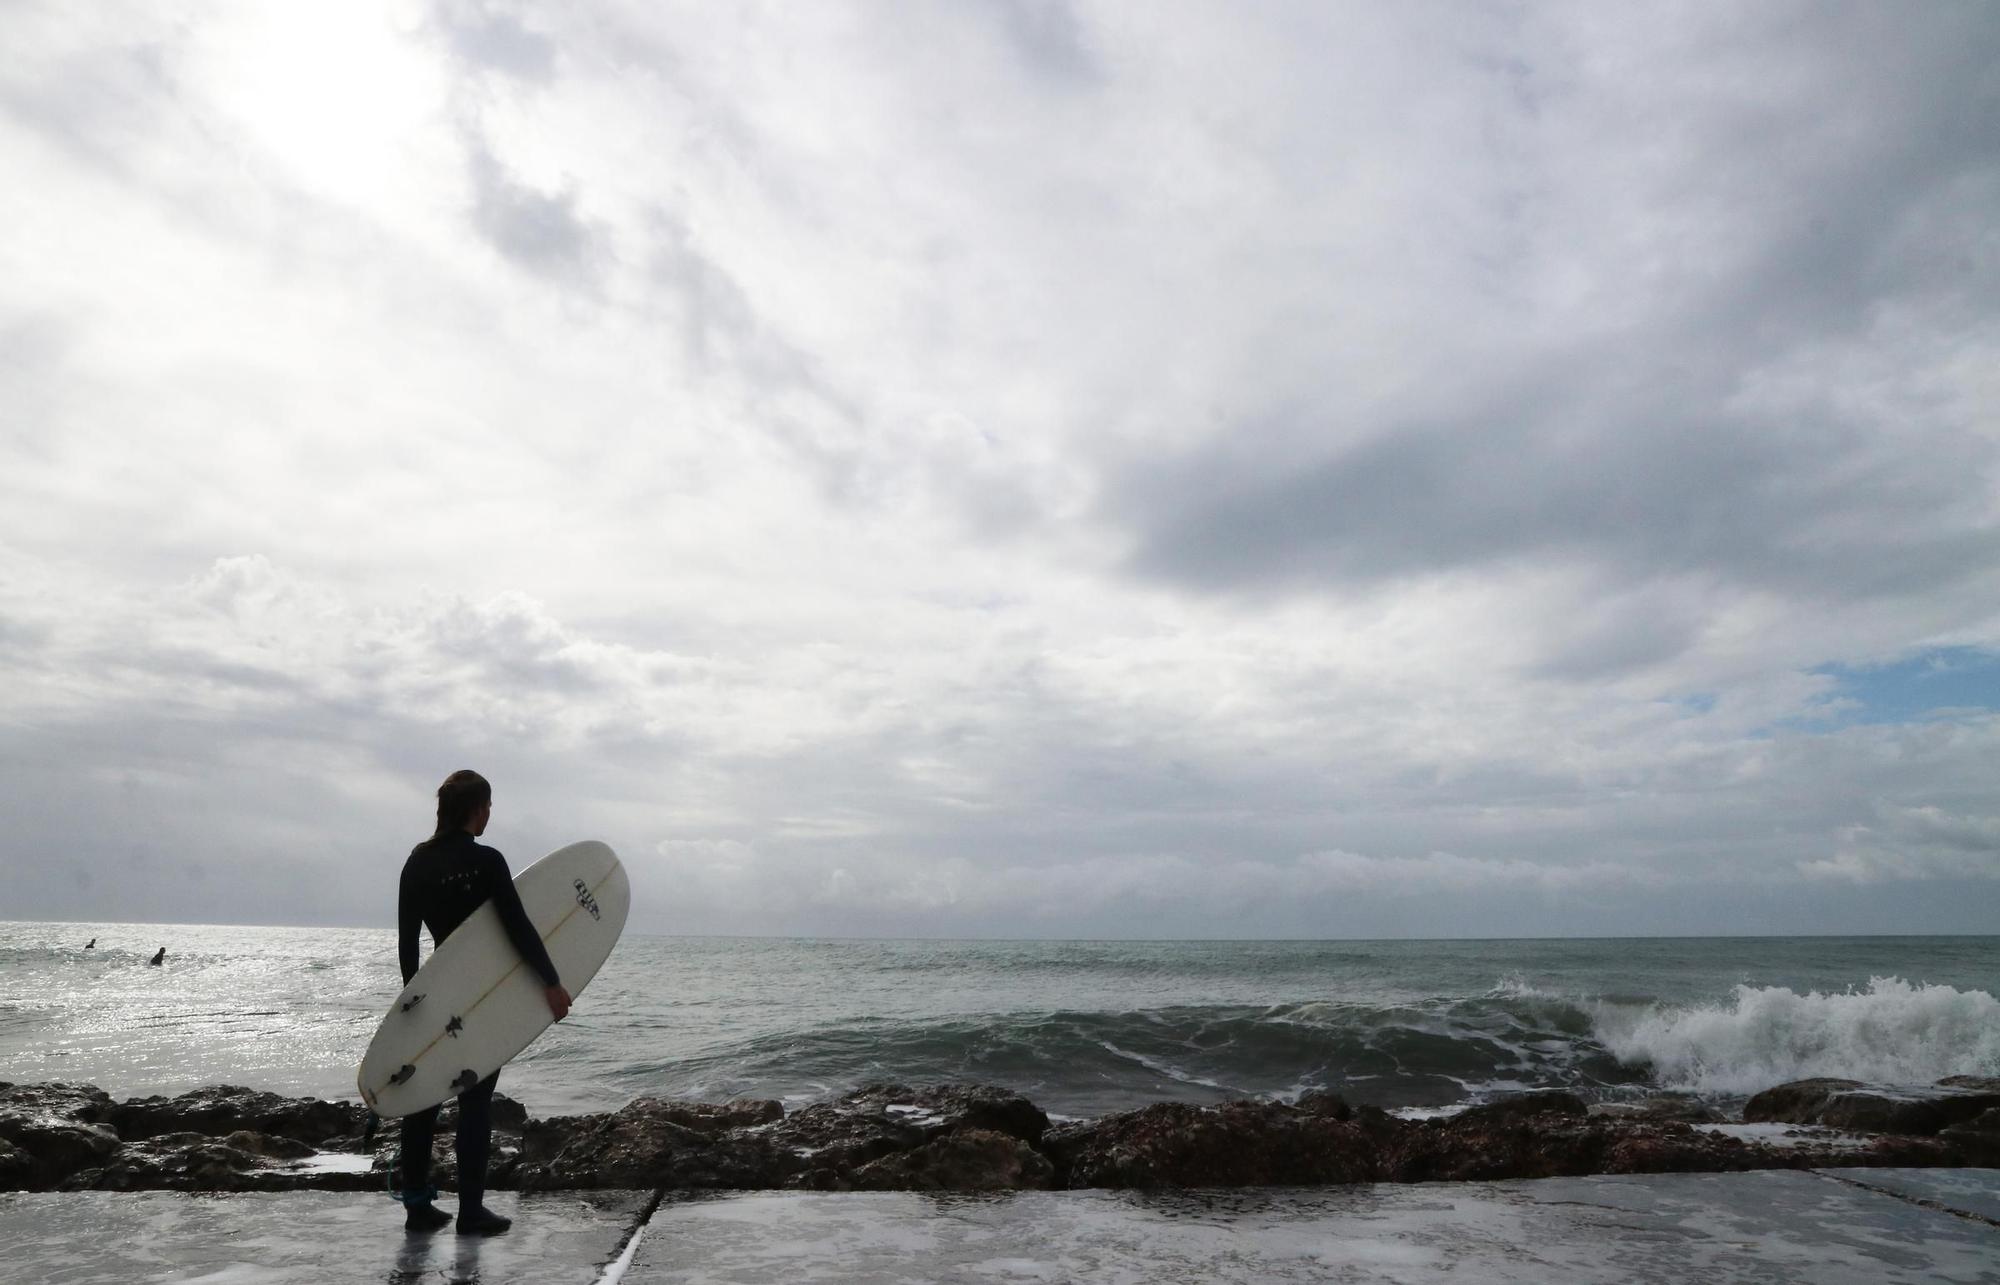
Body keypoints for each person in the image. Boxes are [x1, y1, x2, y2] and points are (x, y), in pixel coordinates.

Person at [395, 770, 571, 1236]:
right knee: (476, 1101)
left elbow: (408, 943)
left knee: (422, 1102)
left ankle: (417, 1207)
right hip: (480, 997)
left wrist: (410, 1004)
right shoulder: (487, 861)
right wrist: (551, 982)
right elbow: (517, 927)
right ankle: (470, 1211)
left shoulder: (416, 863)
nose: (489, 815)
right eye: (487, 807)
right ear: (476, 810)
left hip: (435, 993)